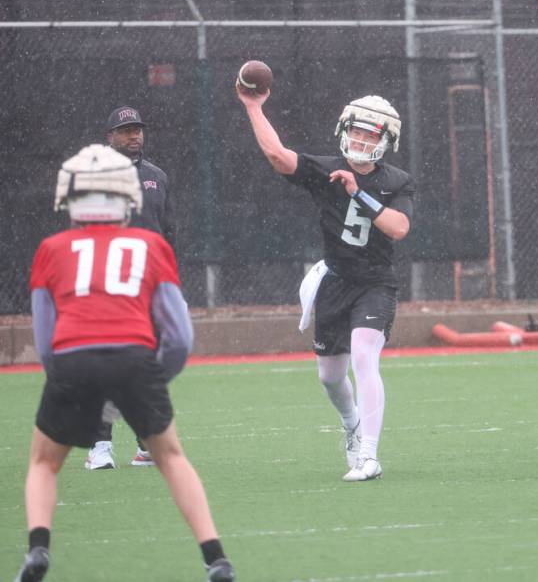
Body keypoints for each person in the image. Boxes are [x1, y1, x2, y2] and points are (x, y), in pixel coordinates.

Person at [18, 144, 234, 582]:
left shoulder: (51, 249)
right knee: (171, 457)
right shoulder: (150, 245)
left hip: (73, 358)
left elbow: (44, 338)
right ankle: (215, 558)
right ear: (127, 195)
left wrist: (63, 376)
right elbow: (179, 336)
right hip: (135, 357)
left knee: (43, 463)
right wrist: (155, 376)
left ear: (70, 196)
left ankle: (38, 550)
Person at [237, 85, 414, 482]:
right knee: (330, 377)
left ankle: (370, 456)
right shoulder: (327, 169)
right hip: (335, 281)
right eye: (357, 131)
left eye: (371, 134)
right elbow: (277, 156)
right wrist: (253, 107)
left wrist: (359, 194)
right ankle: (351, 422)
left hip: (375, 282)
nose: (361, 139)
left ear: (386, 140)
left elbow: (399, 228)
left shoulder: (397, 181)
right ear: (344, 129)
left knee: (365, 356)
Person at [85, 105, 178, 470]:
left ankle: (144, 444)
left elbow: (168, 234)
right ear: (110, 137)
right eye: (125, 130)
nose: (133, 135)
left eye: (137, 129)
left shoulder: (157, 176)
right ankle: (100, 445)